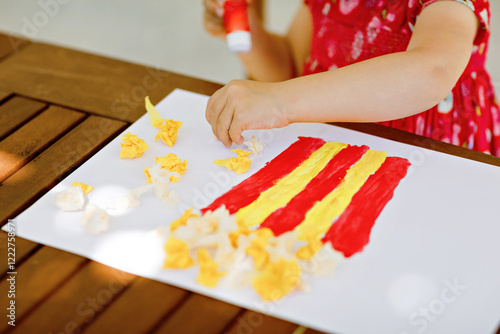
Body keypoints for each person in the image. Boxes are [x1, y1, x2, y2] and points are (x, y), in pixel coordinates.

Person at [203, 0, 500, 157]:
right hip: (336, 150)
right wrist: (247, 31)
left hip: (429, 155)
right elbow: (292, 68)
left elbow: (431, 71)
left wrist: (279, 101)